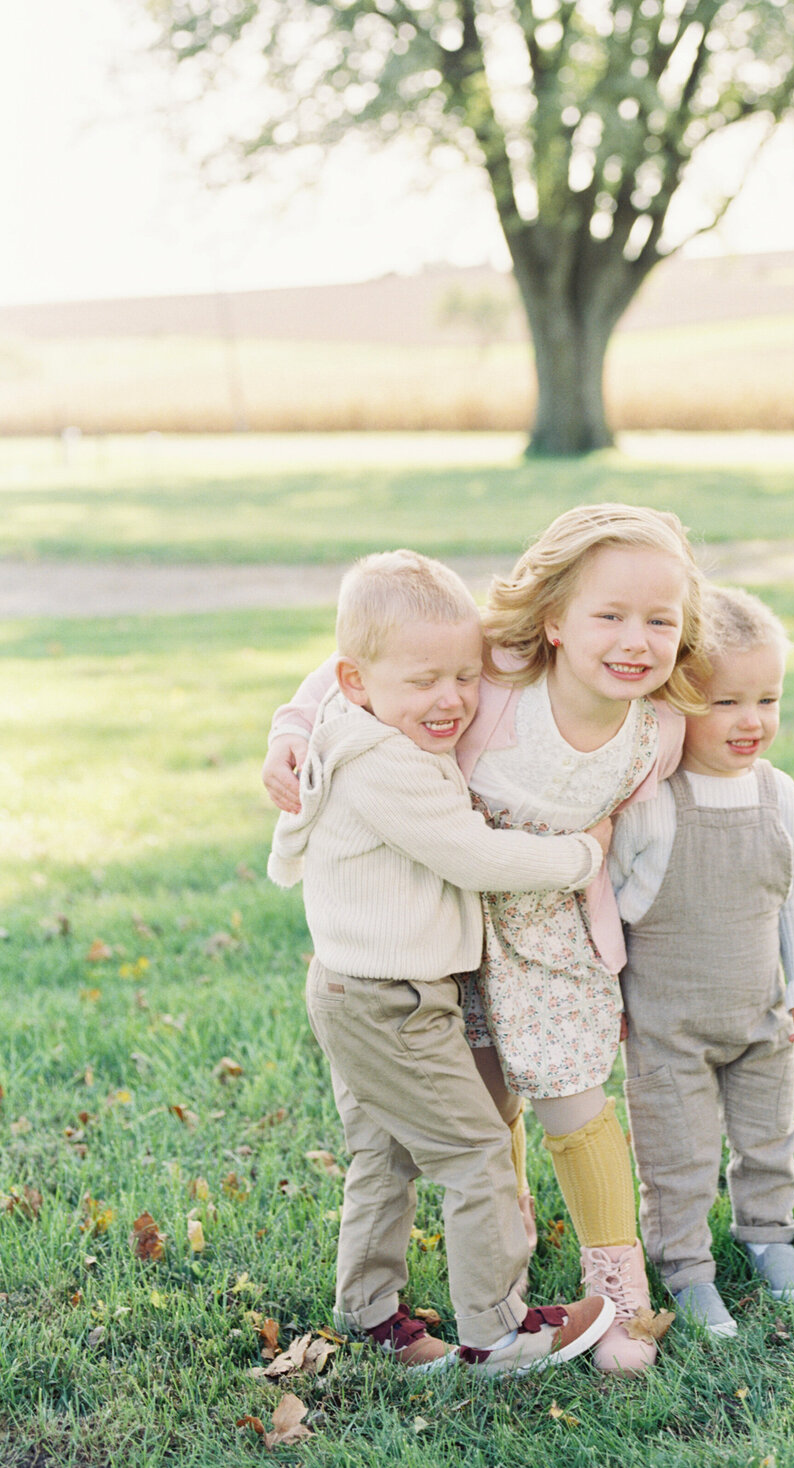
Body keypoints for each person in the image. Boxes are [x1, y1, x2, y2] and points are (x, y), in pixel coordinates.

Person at [263, 504, 706, 1374]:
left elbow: (667, 820)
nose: (635, 638)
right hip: (440, 940)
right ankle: (499, 1304)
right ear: (552, 620)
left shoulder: (656, 731)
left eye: (661, 620)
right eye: (609, 615)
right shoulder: (495, 669)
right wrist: (289, 729)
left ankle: (615, 1294)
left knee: (549, 1108)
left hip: (538, 940)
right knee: (475, 1124)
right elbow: (361, 664)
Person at [608, 584, 794, 1338]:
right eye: (727, 703)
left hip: (761, 1014)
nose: (752, 722)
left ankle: (769, 1234)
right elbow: (607, 904)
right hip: (668, 1026)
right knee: (679, 1153)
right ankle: (688, 1269)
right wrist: (606, 993)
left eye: (767, 700)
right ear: (675, 704)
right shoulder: (652, 803)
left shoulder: (779, 793)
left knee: (771, 1134)